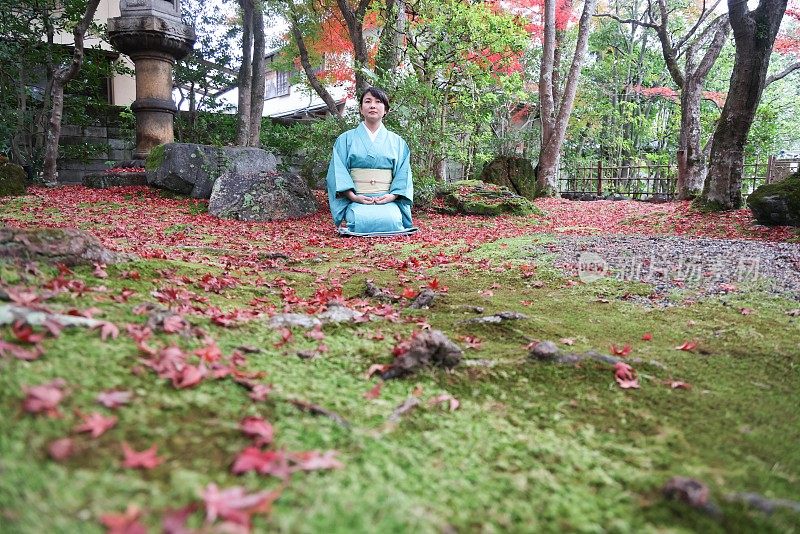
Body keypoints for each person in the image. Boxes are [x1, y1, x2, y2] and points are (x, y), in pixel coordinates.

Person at [326, 87, 417, 236]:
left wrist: (392, 196)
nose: (373, 105)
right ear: (361, 109)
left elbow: (403, 175)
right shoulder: (345, 139)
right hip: (358, 199)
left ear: (386, 110)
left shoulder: (397, 142)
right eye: (368, 101)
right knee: (358, 221)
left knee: (393, 220)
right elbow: (337, 173)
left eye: (378, 102)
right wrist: (354, 197)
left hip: (386, 199)